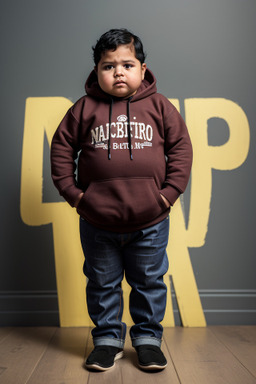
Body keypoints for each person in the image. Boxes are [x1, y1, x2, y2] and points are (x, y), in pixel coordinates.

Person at [50, 28, 192, 372]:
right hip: (97, 220)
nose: (117, 72)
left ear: (143, 70)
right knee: (102, 283)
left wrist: (167, 196)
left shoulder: (160, 107)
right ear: (96, 71)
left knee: (149, 282)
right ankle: (107, 341)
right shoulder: (83, 109)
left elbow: (182, 149)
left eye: (127, 64)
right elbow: (61, 150)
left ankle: (147, 341)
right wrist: (77, 197)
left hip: (150, 220)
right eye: (107, 65)